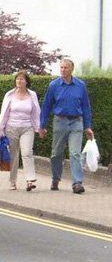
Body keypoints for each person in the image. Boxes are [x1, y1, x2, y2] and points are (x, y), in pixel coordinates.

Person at [40, 59, 94, 194]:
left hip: (76, 122)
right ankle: (56, 178)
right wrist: (42, 125)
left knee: (75, 153)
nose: (63, 70)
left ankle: (77, 183)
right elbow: (46, 106)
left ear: (71, 70)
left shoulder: (80, 85)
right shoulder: (54, 85)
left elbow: (86, 106)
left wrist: (88, 126)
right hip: (60, 121)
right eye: (61, 67)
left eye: (66, 68)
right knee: (56, 153)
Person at [0, 71, 41, 191]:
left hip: (27, 127)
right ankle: (13, 182)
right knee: (13, 155)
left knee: (27, 152)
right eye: (17, 79)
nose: (19, 81)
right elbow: (3, 114)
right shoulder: (9, 95)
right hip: (11, 127)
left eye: (22, 79)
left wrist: (39, 128)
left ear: (26, 82)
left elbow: (36, 113)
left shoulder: (32, 95)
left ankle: (30, 180)